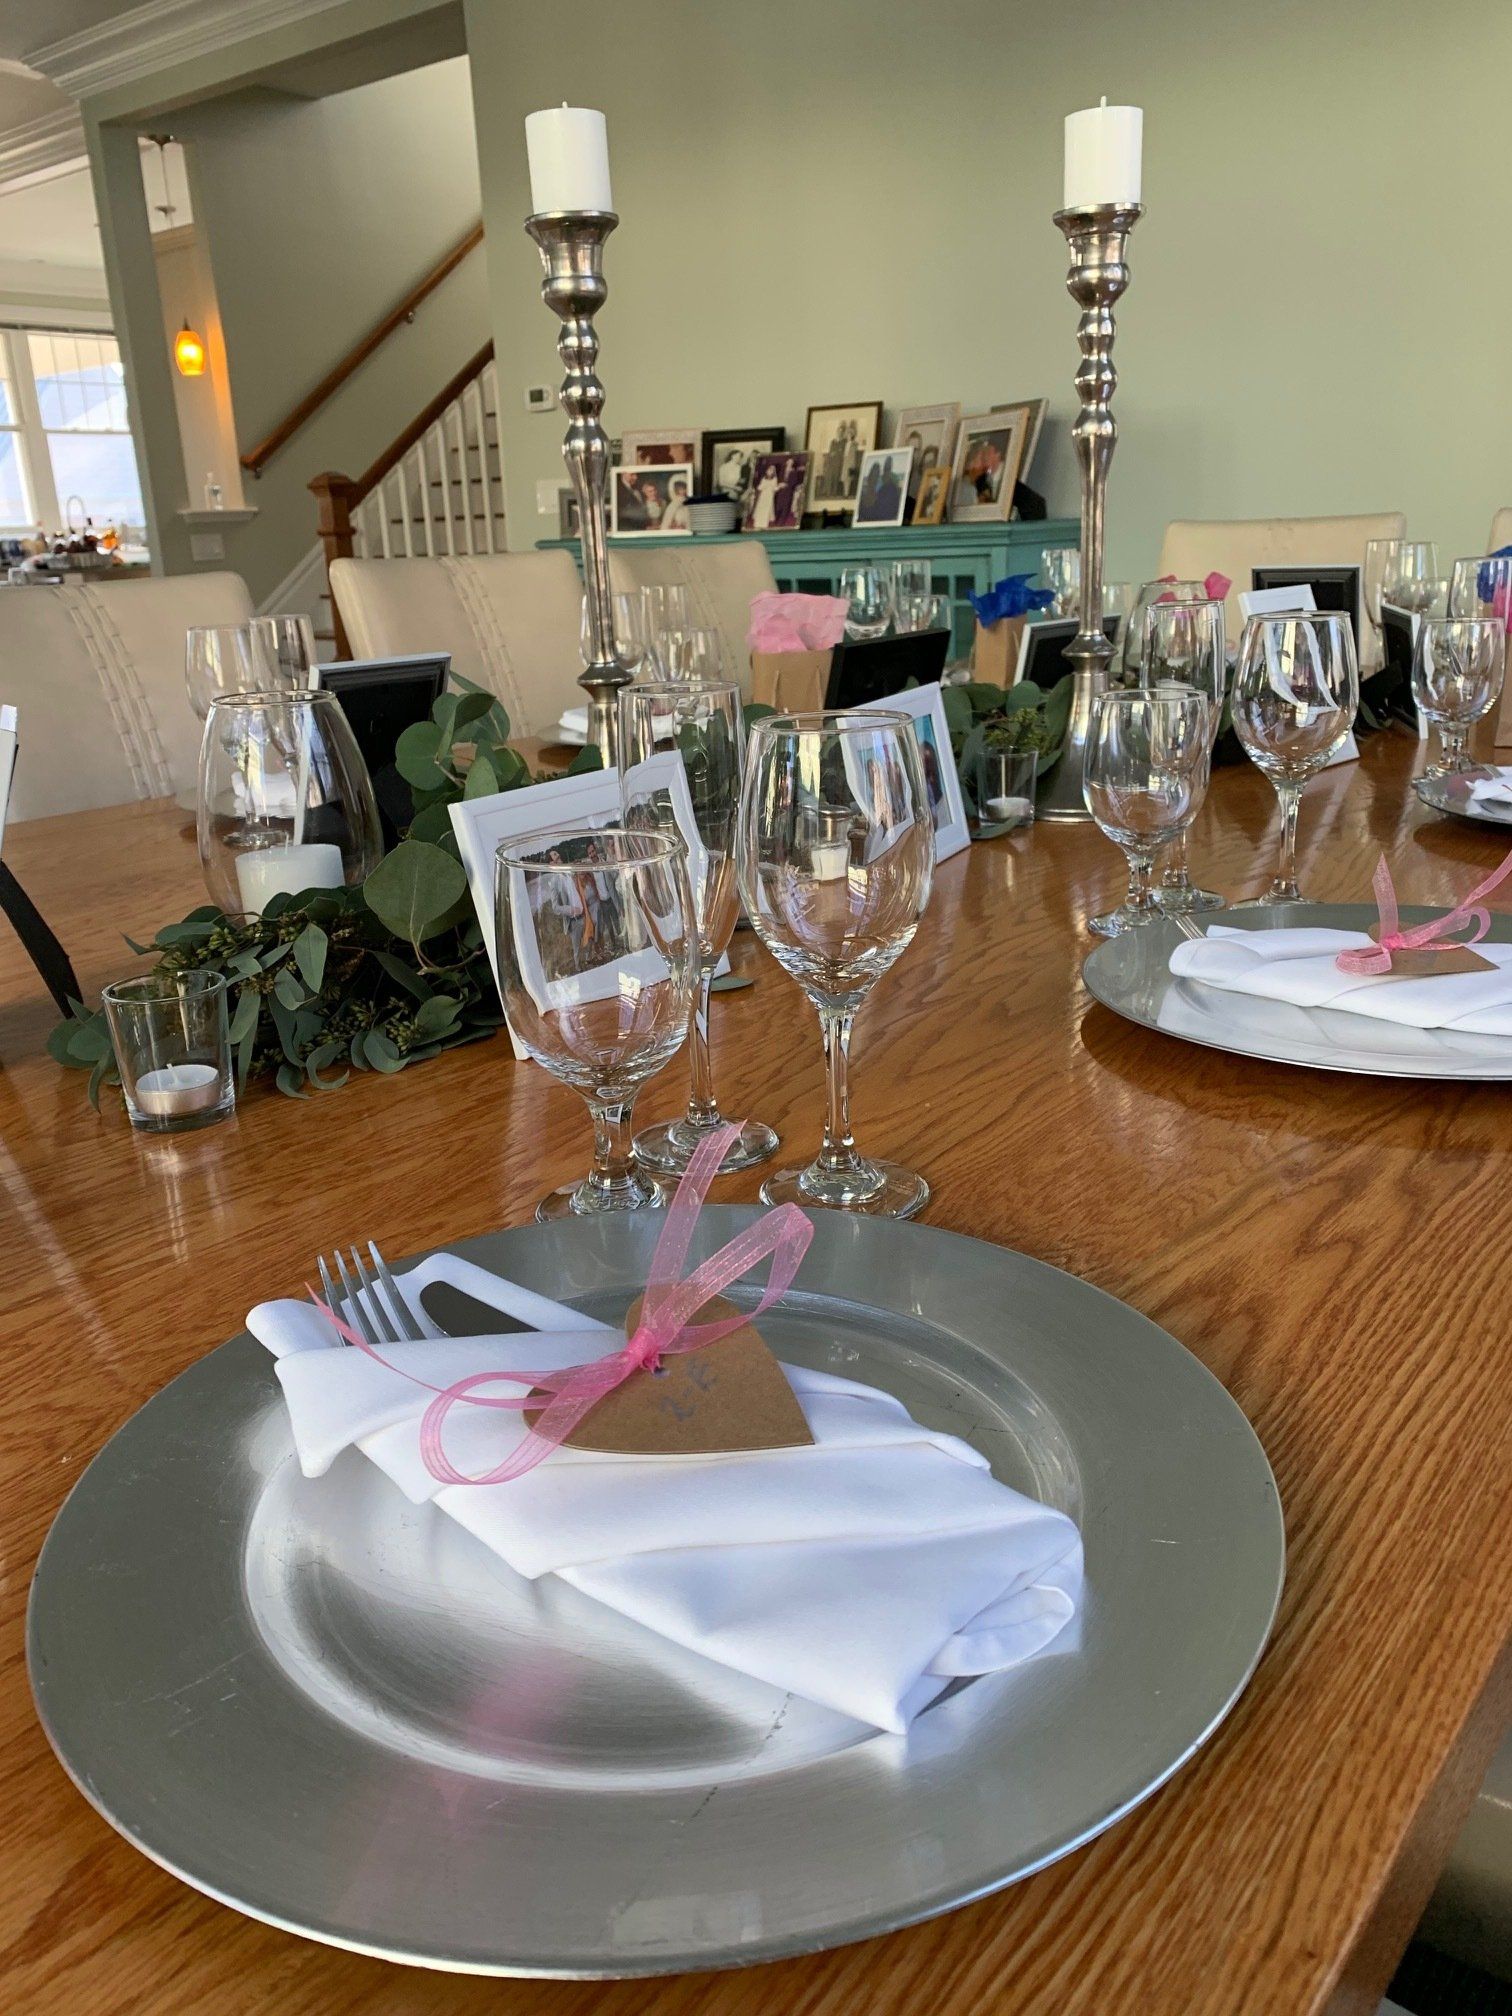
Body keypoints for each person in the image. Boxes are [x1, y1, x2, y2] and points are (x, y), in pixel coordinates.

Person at [750, 458, 780, 530]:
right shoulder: (764, 478)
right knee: (761, 508)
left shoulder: (775, 479)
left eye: (771, 471)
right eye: (769, 470)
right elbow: (759, 488)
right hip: (763, 495)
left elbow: (775, 488)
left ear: (773, 472)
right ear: (767, 471)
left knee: (767, 508)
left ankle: (764, 524)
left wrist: (777, 487)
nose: (770, 472)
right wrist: (764, 486)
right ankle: (758, 523)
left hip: (769, 495)